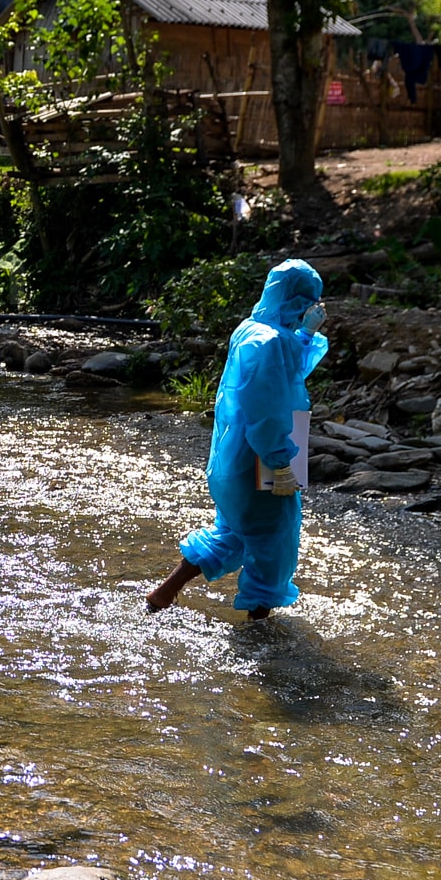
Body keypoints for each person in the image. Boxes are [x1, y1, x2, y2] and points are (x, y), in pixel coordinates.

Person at [147, 259, 328, 620]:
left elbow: (288, 374)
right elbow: (267, 409)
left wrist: (306, 334)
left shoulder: (252, 330)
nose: (313, 307)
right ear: (296, 298)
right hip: (262, 455)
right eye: (309, 299)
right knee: (274, 541)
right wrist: (280, 462)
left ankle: (163, 594)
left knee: (234, 531)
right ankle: (260, 640)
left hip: (236, 456)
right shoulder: (271, 342)